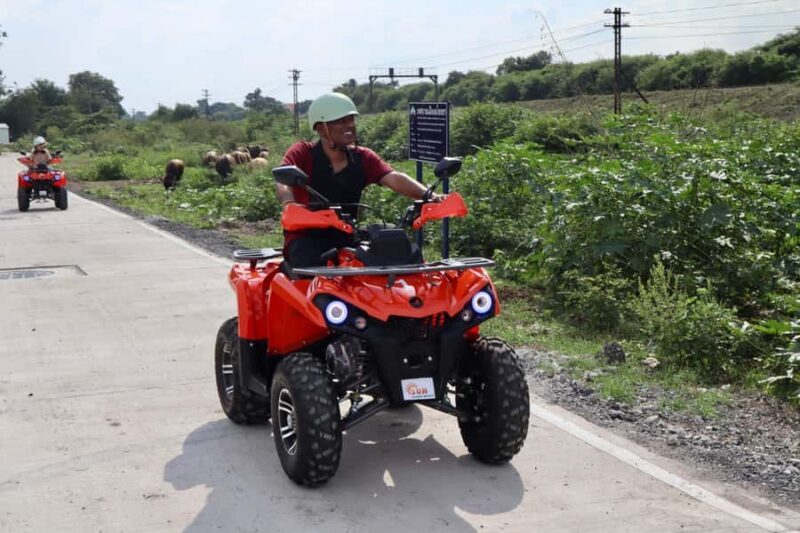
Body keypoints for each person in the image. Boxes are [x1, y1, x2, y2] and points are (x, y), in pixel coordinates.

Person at [277, 92, 441, 267]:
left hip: (346, 236)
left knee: (397, 251)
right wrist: (289, 204)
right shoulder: (303, 153)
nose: (349, 125)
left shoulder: (363, 157)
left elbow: (393, 177)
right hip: (306, 238)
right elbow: (283, 179)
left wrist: (430, 196)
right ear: (321, 128)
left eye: (351, 120)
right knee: (308, 262)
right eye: (340, 121)